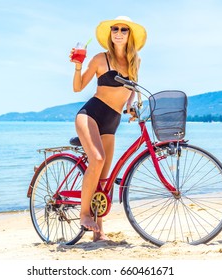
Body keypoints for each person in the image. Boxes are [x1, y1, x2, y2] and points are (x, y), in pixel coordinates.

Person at [69, 16, 147, 241]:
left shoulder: (135, 61)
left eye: (124, 29)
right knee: (98, 159)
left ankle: (99, 232)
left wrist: (130, 106)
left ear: (129, 35)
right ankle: (84, 215)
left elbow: (132, 87)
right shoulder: (100, 59)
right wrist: (77, 66)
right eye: (115, 29)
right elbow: (77, 88)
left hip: (112, 121)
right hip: (91, 114)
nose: (119, 32)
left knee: (105, 180)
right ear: (110, 33)